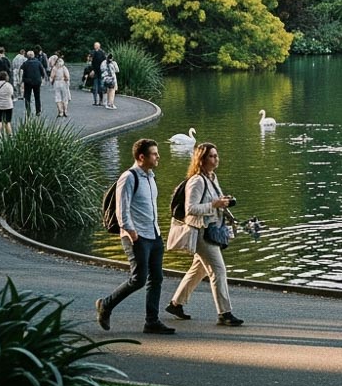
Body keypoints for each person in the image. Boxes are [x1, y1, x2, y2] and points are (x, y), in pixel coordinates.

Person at [95, 138, 175, 335]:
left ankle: (152, 321)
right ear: (142, 157)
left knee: (156, 278)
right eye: (154, 154)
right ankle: (106, 304)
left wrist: (157, 231)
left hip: (154, 234)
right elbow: (122, 209)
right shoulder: (129, 177)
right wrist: (131, 232)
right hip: (136, 236)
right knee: (139, 279)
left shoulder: (150, 176)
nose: (158, 157)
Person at [165, 141, 244, 326]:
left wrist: (224, 204)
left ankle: (176, 303)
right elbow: (190, 208)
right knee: (218, 270)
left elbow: (214, 201)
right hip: (201, 232)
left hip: (212, 229)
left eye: (216, 155)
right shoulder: (197, 181)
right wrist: (213, 205)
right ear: (201, 159)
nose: (216, 159)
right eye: (211, 156)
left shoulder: (212, 178)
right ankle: (224, 313)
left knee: (199, 270)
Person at [19, 48, 44, 116]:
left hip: (28, 82)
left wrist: (21, 81)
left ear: (27, 56)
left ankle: (28, 110)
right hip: (37, 81)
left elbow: (21, 71)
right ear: (33, 56)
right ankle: (38, 110)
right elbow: (42, 71)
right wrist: (42, 78)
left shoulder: (25, 63)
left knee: (27, 97)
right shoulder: (38, 62)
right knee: (37, 96)